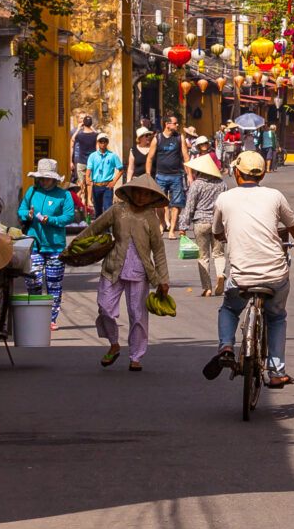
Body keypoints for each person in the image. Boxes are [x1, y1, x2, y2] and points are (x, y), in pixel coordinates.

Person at [202, 150, 294, 388]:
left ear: (237, 174)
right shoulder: (275, 196)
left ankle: (227, 346)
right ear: (261, 175)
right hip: (275, 275)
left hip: (241, 277)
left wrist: (229, 234)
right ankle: (276, 372)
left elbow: (217, 232)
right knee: (276, 317)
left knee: (230, 309)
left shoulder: (225, 198)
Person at [79, 174, 172, 369]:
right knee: (104, 307)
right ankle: (114, 343)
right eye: (137, 192)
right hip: (113, 267)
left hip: (139, 272)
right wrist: (73, 248)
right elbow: (94, 229)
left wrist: (163, 279)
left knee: (138, 315)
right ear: (130, 192)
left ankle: (136, 356)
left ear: (151, 197)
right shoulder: (117, 210)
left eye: (146, 194)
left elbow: (159, 250)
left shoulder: (151, 218)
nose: (140, 196)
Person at [17, 159, 76, 299]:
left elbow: (69, 217)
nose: (44, 181)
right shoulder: (32, 191)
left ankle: (51, 319)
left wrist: (51, 220)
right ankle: (36, 314)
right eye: (42, 178)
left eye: (47, 178)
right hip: (34, 245)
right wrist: (28, 215)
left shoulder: (64, 195)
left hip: (55, 247)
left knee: (54, 286)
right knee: (32, 281)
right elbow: (21, 210)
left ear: (54, 179)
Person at [180, 147, 228, 294]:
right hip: (218, 223)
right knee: (218, 254)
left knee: (203, 256)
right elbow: (226, 205)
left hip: (200, 223)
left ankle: (207, 288)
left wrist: (183, 226)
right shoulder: (222, 184)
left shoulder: (197, 184)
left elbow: (189, 207)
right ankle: (220, 274)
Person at [87, 136, 124, 215]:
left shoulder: (112, 156)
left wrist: (114, 182)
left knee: (107, 209)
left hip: (107, 186)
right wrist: (87, 177)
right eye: (101, 141)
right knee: (98, 210)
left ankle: (107, 227)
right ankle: (99, 227)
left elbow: (121, 170)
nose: (103, 143)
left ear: (107, 143)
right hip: (96, 185)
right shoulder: (93, 156)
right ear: (98, 142)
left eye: (105, 141)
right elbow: (89, 168)